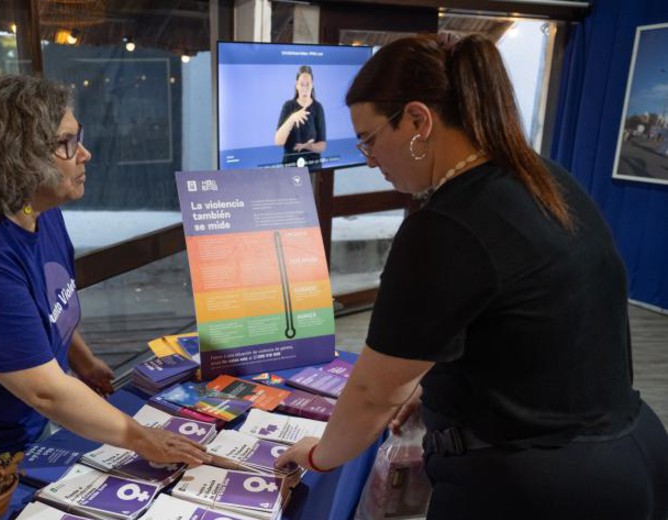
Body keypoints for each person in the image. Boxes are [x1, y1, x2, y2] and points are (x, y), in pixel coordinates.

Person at [276, 34, 668, 519]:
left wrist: (317, 456)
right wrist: (430, 388)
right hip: (629, 454)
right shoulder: (539, 178)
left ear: (418, 120)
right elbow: (519, 328)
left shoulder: (446, 225)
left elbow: (373, 394)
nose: (369, 159)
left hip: (539, 487)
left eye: (370, 140)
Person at [0, 75, 210, 520]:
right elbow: (46, 392)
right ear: (17, 158)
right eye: (66, 143)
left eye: (77, 137)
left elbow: (48, 302)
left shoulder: (36, 208)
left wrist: (82, 360)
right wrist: (143, 439)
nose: (84, 154)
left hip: (14, 424)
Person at [274, 65, 326, 169]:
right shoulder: (288, 106)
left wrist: (308, 146)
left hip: (313, 167)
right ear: (297, 85)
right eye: (302, 84)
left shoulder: (318, 107)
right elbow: (278, 142)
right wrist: (292, 118)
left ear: (312, 85)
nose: (305, 88)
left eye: (308, 85)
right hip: (290, 167)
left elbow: (322, 145)